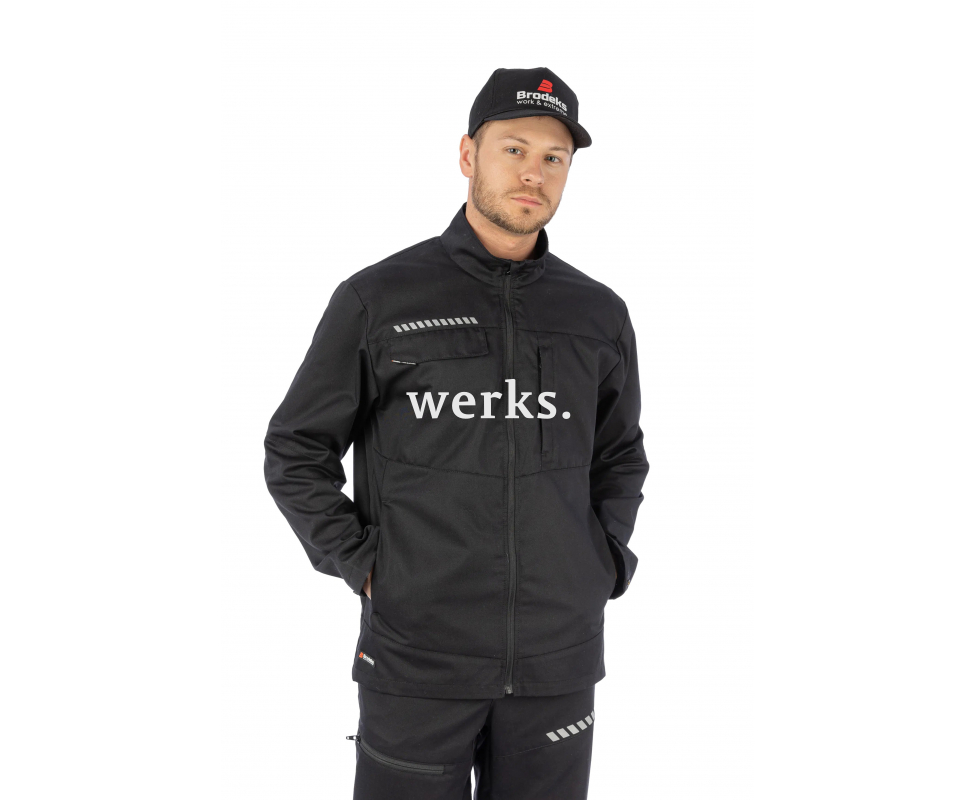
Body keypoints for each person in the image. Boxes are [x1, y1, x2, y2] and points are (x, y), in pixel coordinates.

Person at [264, 66, 649, 799]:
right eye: (514, 149)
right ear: (468, 154)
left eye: (554, 157)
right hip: (417, 658)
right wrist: (366, 564)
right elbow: (296, 448)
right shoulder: (380, 298)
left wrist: (599, 562)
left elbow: (620, 453)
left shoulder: (598, 313)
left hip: (558, 659)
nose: (534, 173)